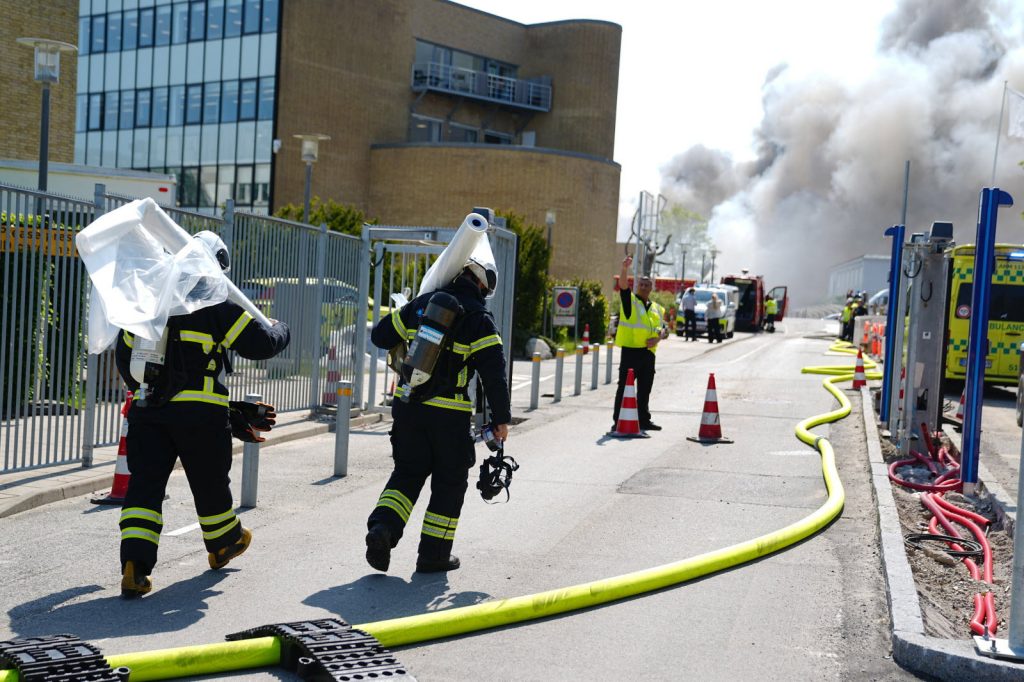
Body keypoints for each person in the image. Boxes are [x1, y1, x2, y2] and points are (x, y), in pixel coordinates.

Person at [114, 231, 291, 598]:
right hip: (200, 416)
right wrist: (280, 329)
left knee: (144, 487)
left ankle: (135, 564)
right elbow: (260, 345)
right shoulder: (217, 306)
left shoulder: (152, 305)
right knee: (209, 482)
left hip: (149, 413)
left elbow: (125, 361)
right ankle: (224, 542)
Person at [365, 255, 511, 574]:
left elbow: (379, 337)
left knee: (407, 473)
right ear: (484, 283)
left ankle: (382, 530)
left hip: (408, 406)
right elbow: (494, 374)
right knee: (449, 483)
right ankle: (434, 554)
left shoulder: (422, 305)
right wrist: (501, 418)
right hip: (450, 415)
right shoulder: (479, 318)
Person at [612, 255, 666, 432]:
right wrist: (624, 269)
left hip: (648, 354)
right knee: (624, 388)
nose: (643, 287)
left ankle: (644, 420)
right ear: (637, 287)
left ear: (651, 288)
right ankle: (618, 421)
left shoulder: (657, 308)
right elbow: (623, 287)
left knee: (645, 389)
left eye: (646, 284)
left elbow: (664, 329)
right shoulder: (631, 302)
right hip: (630, 353)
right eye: (640, 284)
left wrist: (659, 337)